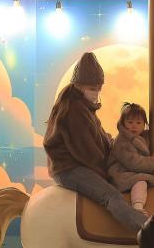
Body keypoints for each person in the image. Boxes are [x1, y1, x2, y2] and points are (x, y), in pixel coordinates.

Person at [44, 52, 147, 231]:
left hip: (72, 164)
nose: (96, 92)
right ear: (79, 85)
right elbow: (88, 153)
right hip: (70, 168)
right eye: (92, 88)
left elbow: (98, 135)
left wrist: (111, 142)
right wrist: (108, 172)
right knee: (111, 196)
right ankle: (147, 229)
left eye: (99, 88)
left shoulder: (81, 106)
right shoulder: (75, 110)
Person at [107, 103, 154, 211]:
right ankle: (138, 206)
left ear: (144, 124)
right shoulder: (122, 140)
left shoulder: (141, 138)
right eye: (130, 122)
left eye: (138, 123)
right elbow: (132, 162)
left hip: (131, 171)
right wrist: (152, 162)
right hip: (120, 173)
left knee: (141, 180)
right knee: (140, 181)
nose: (134, 126)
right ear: (123, 123)